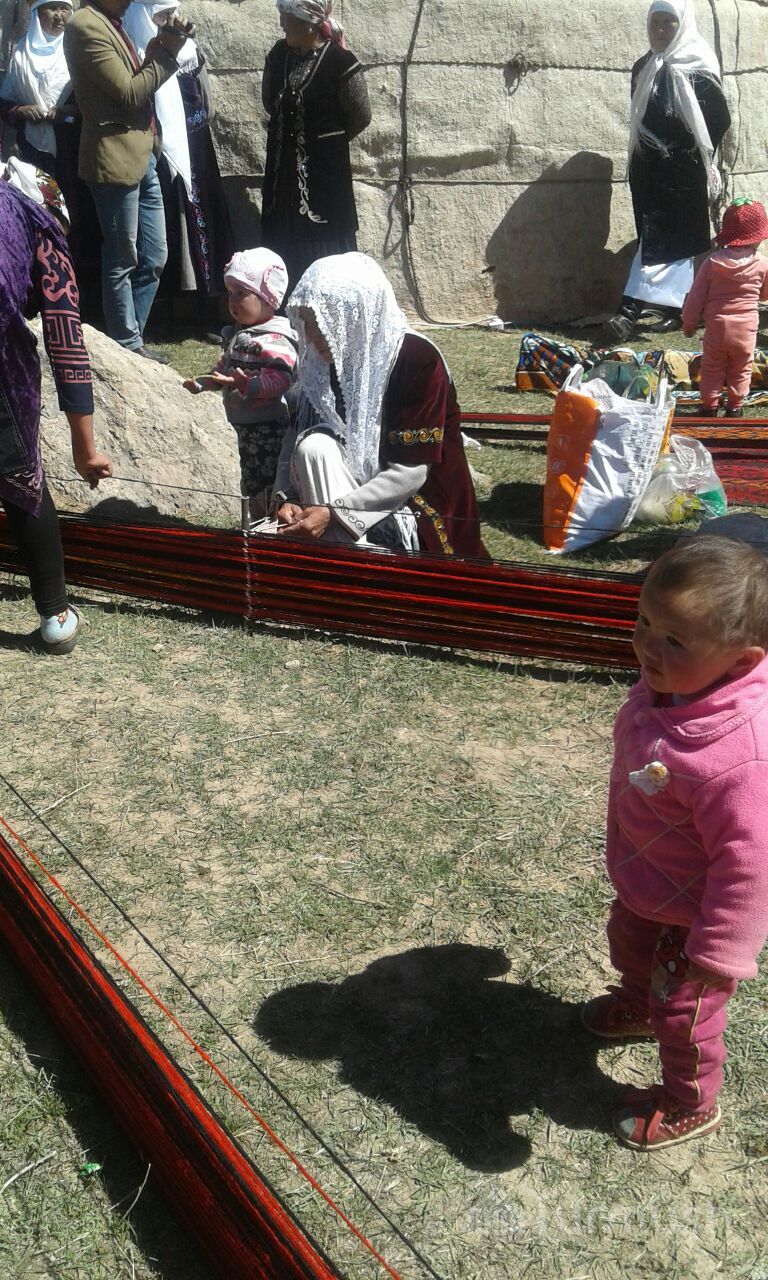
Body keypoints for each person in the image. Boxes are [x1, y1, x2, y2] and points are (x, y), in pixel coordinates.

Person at [581, 536, 768, 1150]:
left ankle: (691, 1102)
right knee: (629, 948)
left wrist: (720, 949)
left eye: (674, 640)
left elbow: (752, 864)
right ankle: (637, 1003)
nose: (646, 646)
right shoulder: (671, 685)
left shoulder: (741, 755)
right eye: (644, 621)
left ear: (740, 662)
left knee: (686, 1015)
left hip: (696, 920)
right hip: (648, 882)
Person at [272, 253, 487, 559]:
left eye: (319, 322)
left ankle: (353, 569)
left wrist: (335, 514)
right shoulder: (322, 364)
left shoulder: (416, 359)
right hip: (342, 495)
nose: (310, 336)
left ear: (352, 315)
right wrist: (289, 497)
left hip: (416, 502)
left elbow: (411, 473)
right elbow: (295, 435)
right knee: (313, 447)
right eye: (305, 323)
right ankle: (347, 564)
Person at [0, 182, 112, 652]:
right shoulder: (41, 224)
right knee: (21, 478)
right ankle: (56, 617)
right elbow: (65, 340)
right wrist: (85, 450)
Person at [63, 0, 194, 361]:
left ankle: (131, 341)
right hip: (115, 158)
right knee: (122, 257)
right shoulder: (85, 25)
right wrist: (168, 53)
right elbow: (130, 92)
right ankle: (127, 344)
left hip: (142, 152)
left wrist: (159, 45)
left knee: (155, 255)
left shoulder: (110, 21)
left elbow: (136, 78)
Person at [607, 0, 731, 343]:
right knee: (662, 240)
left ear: (682, 24)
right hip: (648, 170)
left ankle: (628, 312)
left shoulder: (697, 65)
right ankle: (678, 309)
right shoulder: (643, 66)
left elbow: (719, 118)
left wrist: (688, 153)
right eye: (655, 22)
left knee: (661, 239)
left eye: (668, 23)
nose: (659, 30)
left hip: (683, 172)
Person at [123, 0, 233, 335]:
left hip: (195, 151)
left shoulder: (190, 52)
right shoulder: (136, 47)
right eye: (161, 14)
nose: (169, 19)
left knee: (201, 225)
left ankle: (207, 310)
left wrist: (189, 130)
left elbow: (206, 103)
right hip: (154, 150)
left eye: (172, 12)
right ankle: (162, 312)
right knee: (160, 230)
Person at [261, 0, 371, 296]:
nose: (282, 23)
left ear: (307, 23)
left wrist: (326, 143)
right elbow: (269, 102)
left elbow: (361, 115)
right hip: (282, 180)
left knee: (324, 248)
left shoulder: (341, 62)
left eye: (287, 17)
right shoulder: (278, 56)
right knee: (284, 240)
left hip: (325, 182)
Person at [0, 0, 102, 318]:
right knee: (36, 221)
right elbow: (5, 104)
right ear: (37, 12)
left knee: (71, 222)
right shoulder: (21, 54)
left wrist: (66, 113)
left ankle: (72, 300)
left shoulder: (77, 53)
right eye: (52, 8)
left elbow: (94, 103)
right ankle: (37, 297)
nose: (59, 16)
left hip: (71, 156)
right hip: (33, 158)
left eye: (64, 9)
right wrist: (21, 110)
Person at [183, 248, 298, 521]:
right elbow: (224, 368)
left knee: (266, 482)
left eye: (241, 293)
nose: (231, 301)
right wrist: (205, 382)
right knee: (249, 480)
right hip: (243, 426)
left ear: (268, 297)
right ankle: (254, 522)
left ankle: (268, 523)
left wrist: (247, 384)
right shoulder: (239, 334)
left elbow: (281, 380)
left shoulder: (275, 339)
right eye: (230, 293)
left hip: (267, 428)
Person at [682, 198, 768, 419]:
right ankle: (735, 407)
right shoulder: (762, 263)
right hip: (746, 330)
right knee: (742, 368)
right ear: (758, 237)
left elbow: (695, 297)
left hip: (717, 329)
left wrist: (689, 324)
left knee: (711, 367)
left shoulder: (712, 262)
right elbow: (765, 295)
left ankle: (709, 407)